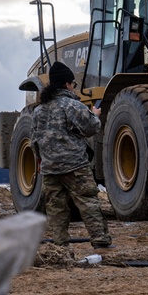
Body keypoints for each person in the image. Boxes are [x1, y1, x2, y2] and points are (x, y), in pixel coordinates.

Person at [32, 61, 112, 249]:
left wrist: (40, 161)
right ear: (67, 84)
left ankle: (60, 245)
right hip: (75, 165)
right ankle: (100, 239)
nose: (74, 87)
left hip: (49, 167)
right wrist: (95, 114)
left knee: (56, 208)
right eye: (73, 84)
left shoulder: (38, 110)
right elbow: (91, 128)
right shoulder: (72, 105)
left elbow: (34, 140)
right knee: (88, 201)